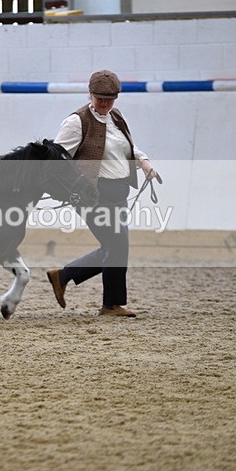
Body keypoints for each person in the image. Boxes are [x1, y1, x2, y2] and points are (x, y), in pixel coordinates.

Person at [46, 70, 159, 317]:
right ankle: (111, 303)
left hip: (118, 192)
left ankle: (65, 277)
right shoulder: (77, 121)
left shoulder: (116, 117)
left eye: (110, 98)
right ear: (90, 94)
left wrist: (144, 162)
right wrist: (70, 188)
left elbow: (128, 145)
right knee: (117, 246)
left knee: (116, 247)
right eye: (100, 98)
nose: (105, 103)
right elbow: (58, 158)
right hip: (93, 195)